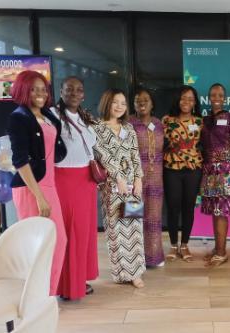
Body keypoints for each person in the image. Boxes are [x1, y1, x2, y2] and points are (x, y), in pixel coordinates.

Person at [7, 70, 67, 296]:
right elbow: (20, 161)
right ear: (23, 90)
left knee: (56, 240)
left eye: (43, 89)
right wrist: (39, 196)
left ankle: (45, 294)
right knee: (39, 243)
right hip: (32, 187)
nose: (40, 93)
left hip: (48, 184)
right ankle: (36, 296)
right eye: (34, 88)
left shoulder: (46, 116)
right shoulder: (19, 117)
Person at [51, 76, 99, 300]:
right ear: (60, 91)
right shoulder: (52, 116)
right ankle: (68, 286)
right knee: (71, 232)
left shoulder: (84, 116)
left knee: (84, 233)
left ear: (83, 94)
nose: (74, 93)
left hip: (86, 181)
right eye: (69, 89)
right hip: (65, 180)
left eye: (78, 90)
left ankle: (79, 278)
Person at [93, 89, 146, 289]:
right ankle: (121, 272)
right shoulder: (97, 128)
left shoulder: (129, 128)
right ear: (107, 102)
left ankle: (136, 273)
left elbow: (135, 154)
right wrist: (118, 177)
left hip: (132, 187)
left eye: (123, 103)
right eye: (115, 102)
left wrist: (139, 179)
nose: (119, 107)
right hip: (111, 187)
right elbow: (101, 155)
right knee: (116, 229)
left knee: (133, 227)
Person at [200, 83, 230, 267]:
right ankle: (218, 247)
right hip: (210, 171)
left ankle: (221, 253)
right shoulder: (205, 120)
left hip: (227, 171)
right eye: (213, 94)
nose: (217, 97)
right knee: (215, 212)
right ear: (209, 97)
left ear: (225, 98)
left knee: (221, 213)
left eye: (220, 94)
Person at [161, 86, 203, 262]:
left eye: (191, 99)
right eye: (183, 98)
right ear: (177, 100)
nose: (187, 102)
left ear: (195, 102)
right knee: (172, 207)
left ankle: (184, 245)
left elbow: (204, 145)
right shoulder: (166, 120)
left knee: (188, 207)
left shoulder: (200, 122)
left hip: (193, 169)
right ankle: (173, 244)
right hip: (172, 168)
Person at [129, 88, 165, 268]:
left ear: (152, 103)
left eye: (145, 100)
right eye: (137, 100)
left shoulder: (159, 124)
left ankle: (154, 257)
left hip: (156, 179)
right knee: (133, 217)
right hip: (134, 180)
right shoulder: (128, 123)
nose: (142, 103)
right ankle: (134, 258)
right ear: (134, 104)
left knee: (154, 218)